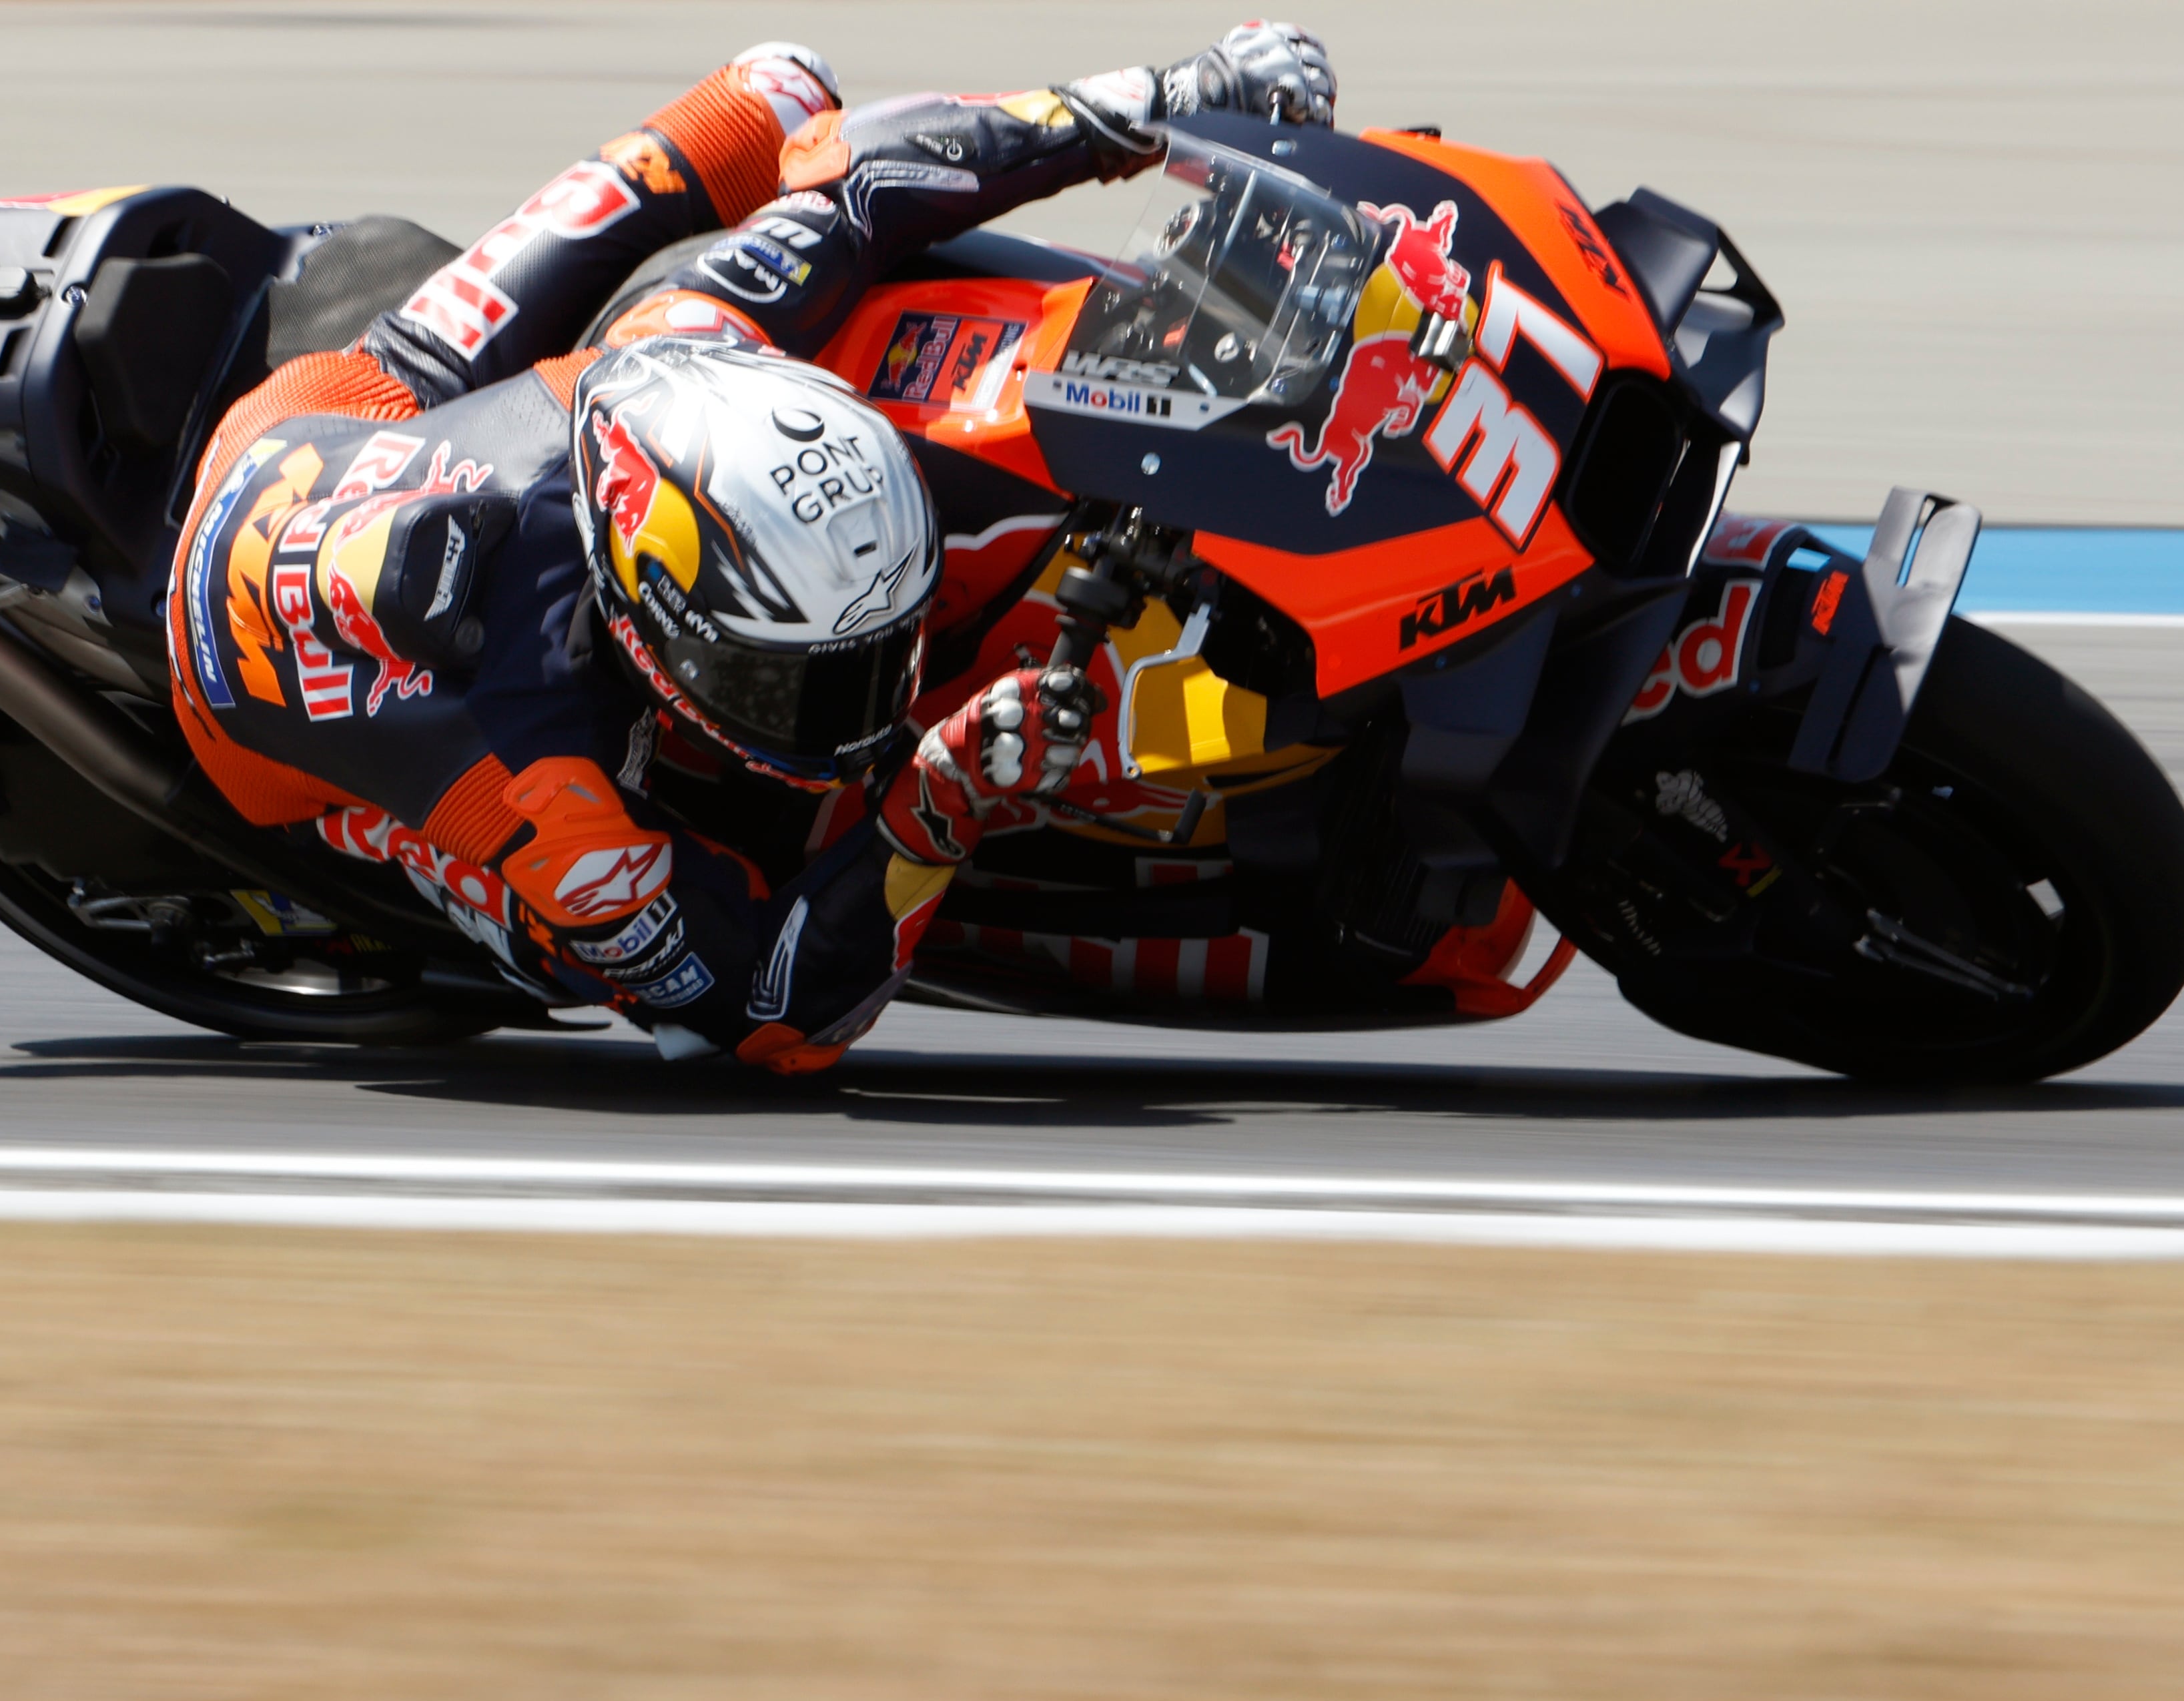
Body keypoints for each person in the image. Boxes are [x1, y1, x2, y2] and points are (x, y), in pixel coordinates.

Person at [169, 27, 1338, 1070]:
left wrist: (1176, 93)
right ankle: (449, 909)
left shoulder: (682, 338)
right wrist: (931, 803)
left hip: (367, 421)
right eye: (797, 678)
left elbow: (869, 173)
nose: (875, 710)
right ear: (648, 631)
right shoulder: (558, 801)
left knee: (779, 91)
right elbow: (771, 1014)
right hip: (254, 656)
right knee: (582, 962)